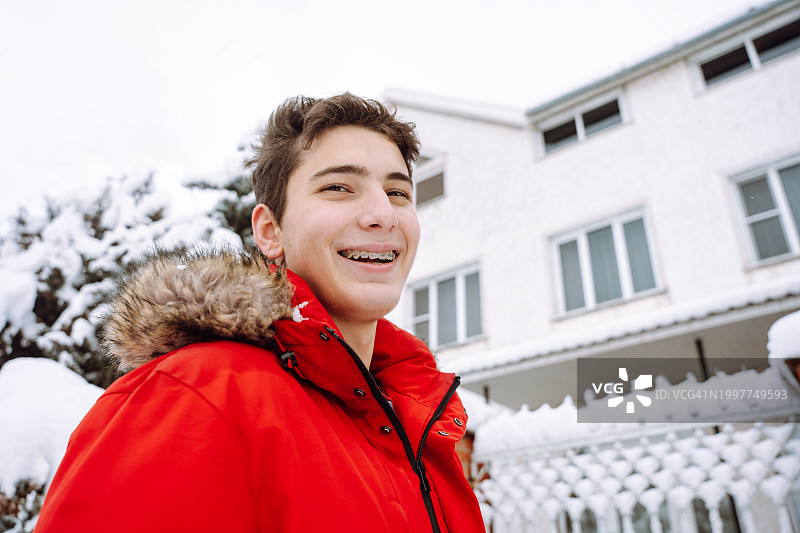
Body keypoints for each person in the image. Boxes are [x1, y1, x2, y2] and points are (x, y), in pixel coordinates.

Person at [35, 93, 485, 532]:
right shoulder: (193, 396)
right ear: (270, 231)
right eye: (338, 188)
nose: (383, 214)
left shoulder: (420, 425)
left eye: (398, 192)